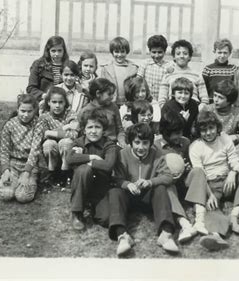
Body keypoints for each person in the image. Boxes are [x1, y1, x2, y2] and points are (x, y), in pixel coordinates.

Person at [107, 123, 179, 256]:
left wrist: (150, 182)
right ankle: (122, 236)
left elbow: (168, 177)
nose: (141, 147)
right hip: (128, 199)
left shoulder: (157, 154)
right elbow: (115, 179)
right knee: (114, 192)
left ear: (151, 143)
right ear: (130, 142)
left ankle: (166, 233)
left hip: (148, 199)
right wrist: (127, 184)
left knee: (161, 188)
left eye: (145, 143)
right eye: (137, 142)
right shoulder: (122, 154)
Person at [185, 110, 239, 251]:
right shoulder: (196, 147)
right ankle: (215, 234)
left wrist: (233, 173)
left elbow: (234, 159)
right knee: (212, 206)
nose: (208, 133)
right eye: (203, 130)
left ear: (217, 127)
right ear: (198, 131)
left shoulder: (224, 138)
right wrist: (209, 195)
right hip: (211, 183)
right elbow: (200, 175)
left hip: (229, 179)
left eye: (211, 128)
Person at [65, 108, 119, 231]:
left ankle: (91, 205)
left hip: (100, 188)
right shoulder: (79, 142)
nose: (93, 131)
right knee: (84, 170)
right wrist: (92, 157)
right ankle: (77, 212)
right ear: (84, 129)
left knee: (106, 219)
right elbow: (69, 158)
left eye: (97, 127)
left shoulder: (109, 145)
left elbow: (108, 165)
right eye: (90, 127)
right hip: (81, 185)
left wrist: (88, 162)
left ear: (103, 129)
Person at [22, 87, 79, 187]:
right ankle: (52, 172)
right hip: (52, 150)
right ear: (48, 102)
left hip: (66, 151)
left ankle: (65, 172)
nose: (57, 105)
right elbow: (42, 136)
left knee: (65, 142)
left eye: (61, 102)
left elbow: (74, 134)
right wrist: (65, 127)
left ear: (65, 103)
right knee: (48, 144)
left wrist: (50, 133)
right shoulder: (44, 117)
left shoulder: (71, 114)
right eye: (54, 102)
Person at [155, 109, 197, 243]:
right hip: (168, 184)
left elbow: (190, 163)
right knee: (167, 186)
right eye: (176, 133)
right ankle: (185, 223)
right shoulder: (155, 146)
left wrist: (187, 167)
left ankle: (201, 214)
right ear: (166, 132)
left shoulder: (185, 143)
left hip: (183, 182)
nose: (179, 136)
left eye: (181, 132)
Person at [0, 94, 39, 203]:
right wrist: (6, 171)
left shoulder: (38, 124)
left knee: (22, 197)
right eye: (23, 111)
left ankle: (28, 182)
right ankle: (2, 185)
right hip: (13, 165)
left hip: (30, 165)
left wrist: (26, 173)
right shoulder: (10, 125)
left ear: (34, 110)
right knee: (7, 194)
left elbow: (35, 150)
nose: (26, 115)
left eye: (29, 111)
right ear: (17, 109)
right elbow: (4, 150)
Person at [158, 39, 209, 108]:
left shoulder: (197, 75)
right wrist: (169, 113)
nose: (181, 56)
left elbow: (205, 100)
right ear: (174, 57)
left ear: (190, 57)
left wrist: (198, 110)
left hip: (193, 110)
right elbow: (161, 100)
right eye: (178, 53)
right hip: (173, 111)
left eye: (185, 53)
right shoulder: (167, 76)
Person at [78, 78, 126, 148]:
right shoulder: (85, 111)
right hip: (93, 147)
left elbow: (119, 129)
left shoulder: (113, 107)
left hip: (112, 145)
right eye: (109, 94)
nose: (112, 97)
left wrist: (122, 141)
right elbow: (82, 134)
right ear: (98, 93)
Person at [209, 79, 239, 151]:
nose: (215, 100)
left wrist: (235, 137)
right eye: (215, 95)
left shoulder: (237, 113)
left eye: (220, 97)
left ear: (229, 101)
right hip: (210, 145)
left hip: (228, 146)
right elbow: (195, 130)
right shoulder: (208, 109)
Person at [27, 36, 69, 102]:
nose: (57, 54)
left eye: (59, 50)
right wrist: (44, 96)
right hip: (43, 101)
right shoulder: (38, 64)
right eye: (53, 51)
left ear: (64, 51)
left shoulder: (68, 66)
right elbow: (31, 88)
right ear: (48, 51)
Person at [100, 36, 138, 106]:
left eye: (122, 52)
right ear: (112, 52)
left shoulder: (134, 68)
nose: (119, 55)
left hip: (128, 103)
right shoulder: (106, 68)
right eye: (116, 52)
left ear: (127, 52)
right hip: (111, 103)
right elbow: (102, 88)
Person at [137, 35, 171, 100]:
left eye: (160, 52)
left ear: (165, 51)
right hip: (146, 100)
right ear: (149, 51)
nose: (157, 55)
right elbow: (138, 81)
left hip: (161, 100)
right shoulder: (145, 64)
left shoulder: (168, 66)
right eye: (154, 52)